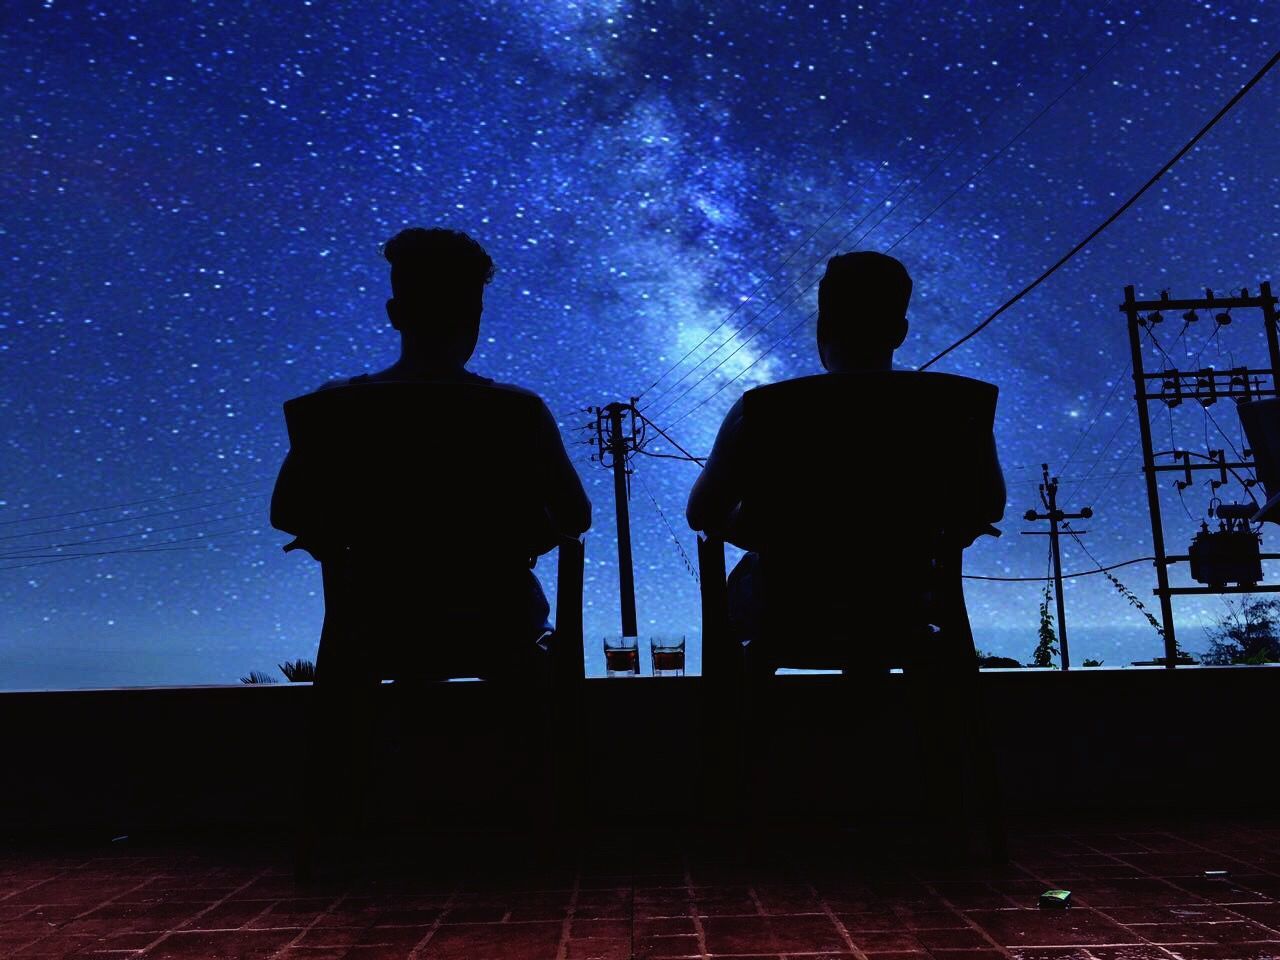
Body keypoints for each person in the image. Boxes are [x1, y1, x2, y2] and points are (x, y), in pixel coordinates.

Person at [270, 227, 591, 676]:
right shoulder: (518, 410)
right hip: (502, 633)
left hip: (372, 632)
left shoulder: (336, 406)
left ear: (396, 314)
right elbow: (574, 516)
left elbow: (286, 511)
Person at [686, 250, 1005, 669]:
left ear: (822, 327)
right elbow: (989, 505)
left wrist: (756, 526)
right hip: (902, 608)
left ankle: (744, 730)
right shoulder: (955, 407)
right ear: (900, 331)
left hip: (789, 611)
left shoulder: (760, 411)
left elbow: (701, 512)